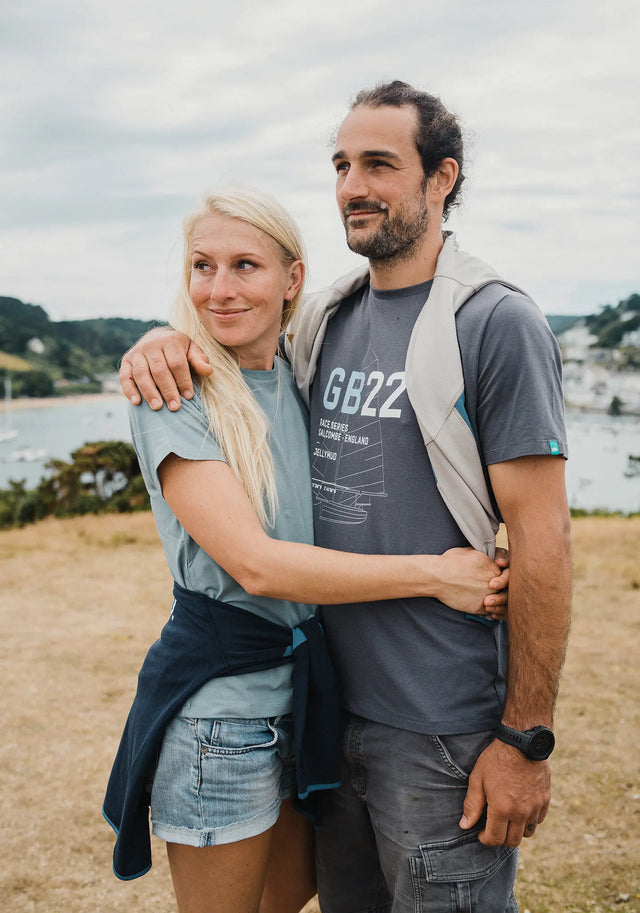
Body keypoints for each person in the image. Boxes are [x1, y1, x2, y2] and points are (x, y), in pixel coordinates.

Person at [119, 82, 572, 913]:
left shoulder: (494, 321)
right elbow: (253, 537)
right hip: (325, 711)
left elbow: (545, 542)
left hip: (438, 723)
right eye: (340, 165)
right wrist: (160, 336)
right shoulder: (331, 318)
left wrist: (524, 740)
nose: (354, 185)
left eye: (379, 164)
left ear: (442, 179)